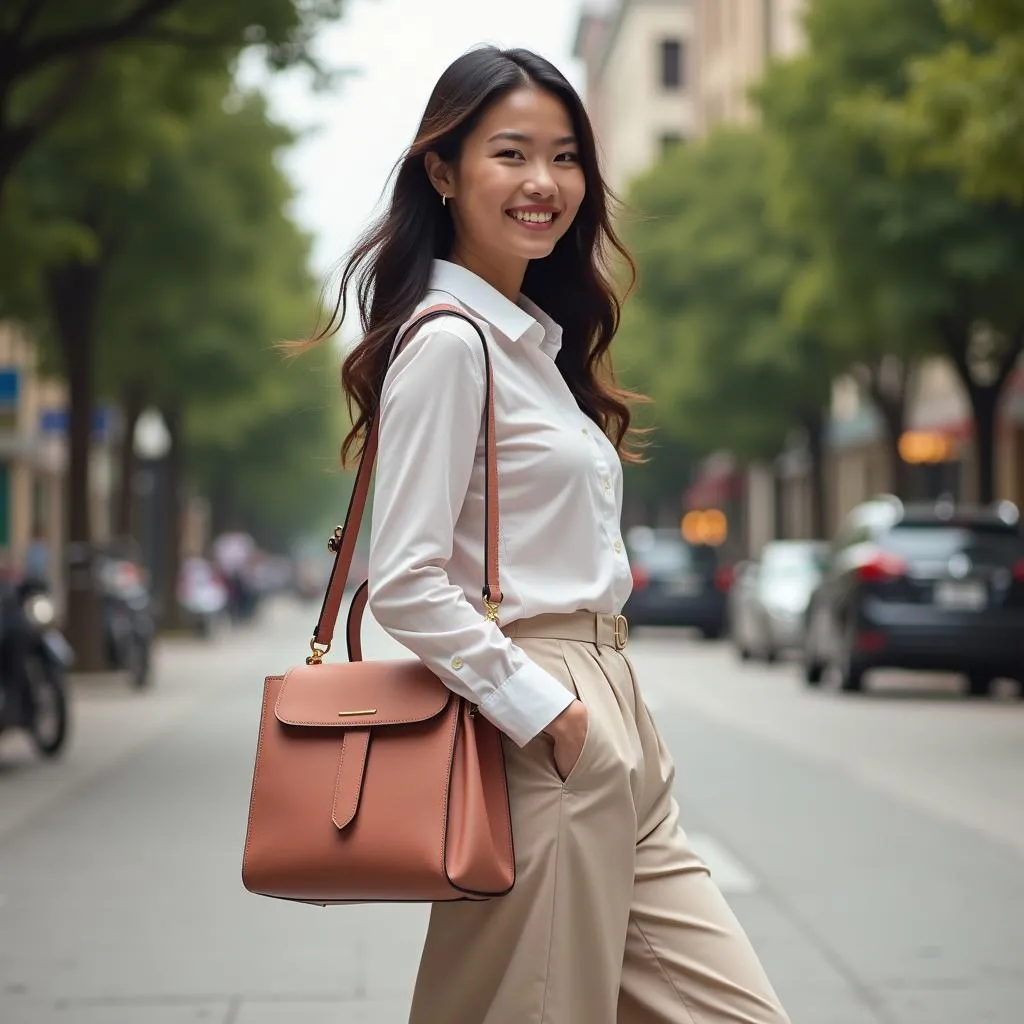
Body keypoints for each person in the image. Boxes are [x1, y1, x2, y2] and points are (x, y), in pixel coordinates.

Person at [309, 46, 790, 1024]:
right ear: (442, 173)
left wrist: (598, 720)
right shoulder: (449, 341)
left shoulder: (535, 347)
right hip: (540, 716)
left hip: (610, 708)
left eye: (565, 156)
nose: (543, 183)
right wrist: (549, 713)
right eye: (511, 153)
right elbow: (402, 580)